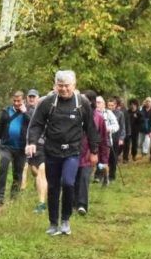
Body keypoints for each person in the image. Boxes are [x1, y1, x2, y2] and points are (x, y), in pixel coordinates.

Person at [26, 71, 99, 236]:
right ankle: (53, 223)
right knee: (53, 187)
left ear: (74, 85)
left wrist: (94, 151)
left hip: (73, 151)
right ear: (56, 85)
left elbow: (90, 128)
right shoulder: (48, 102)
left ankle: (65, 220)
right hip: (52, 151)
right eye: (60, 85)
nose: (64, 89)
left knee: (68, 183)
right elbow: (36, 124)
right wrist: (32, 142)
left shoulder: (82, 103)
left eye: (67, 85)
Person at [0, 90, 30, 206]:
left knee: (18, 172)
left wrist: (25, 112)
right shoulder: (6, 111)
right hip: (6, 146)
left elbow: (33, 124)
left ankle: (15, 195)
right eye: (15, 101)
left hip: (21, 148)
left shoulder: (28, 112)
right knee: (3, 168)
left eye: (19, 101)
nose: (17, 103)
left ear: (23, 100)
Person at [75, 90, 108, 216]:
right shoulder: (76, 113)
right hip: (73, 151)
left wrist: (103, 159)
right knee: (73, 179)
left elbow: (104, 140)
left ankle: (82, 205)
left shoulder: (98, 117)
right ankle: (72, 203)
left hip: (89, 154)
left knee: (84, 178)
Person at [22, 89, 48, 213]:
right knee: (32, 169)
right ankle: (38, 188)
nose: (31, 99)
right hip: (29, 143)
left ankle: (42, 202)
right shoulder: (25, 108)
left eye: (34, 97)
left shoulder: (41, 110)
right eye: (30, 97)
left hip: (42, 144)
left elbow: (36, 122)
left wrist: (24, 112)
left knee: (39, 171)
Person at [107, 97, 125, 183]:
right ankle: (101, 175)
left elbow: (122, 127)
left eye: (112, 105)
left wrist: (121, 138)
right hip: (106, 138)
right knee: (105, 157)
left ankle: (112, 176)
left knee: (113, 158)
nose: (110, 107)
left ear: (115, 105)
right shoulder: (105, 112)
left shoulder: (120, 114)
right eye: (109, 105)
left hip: (115, 138)